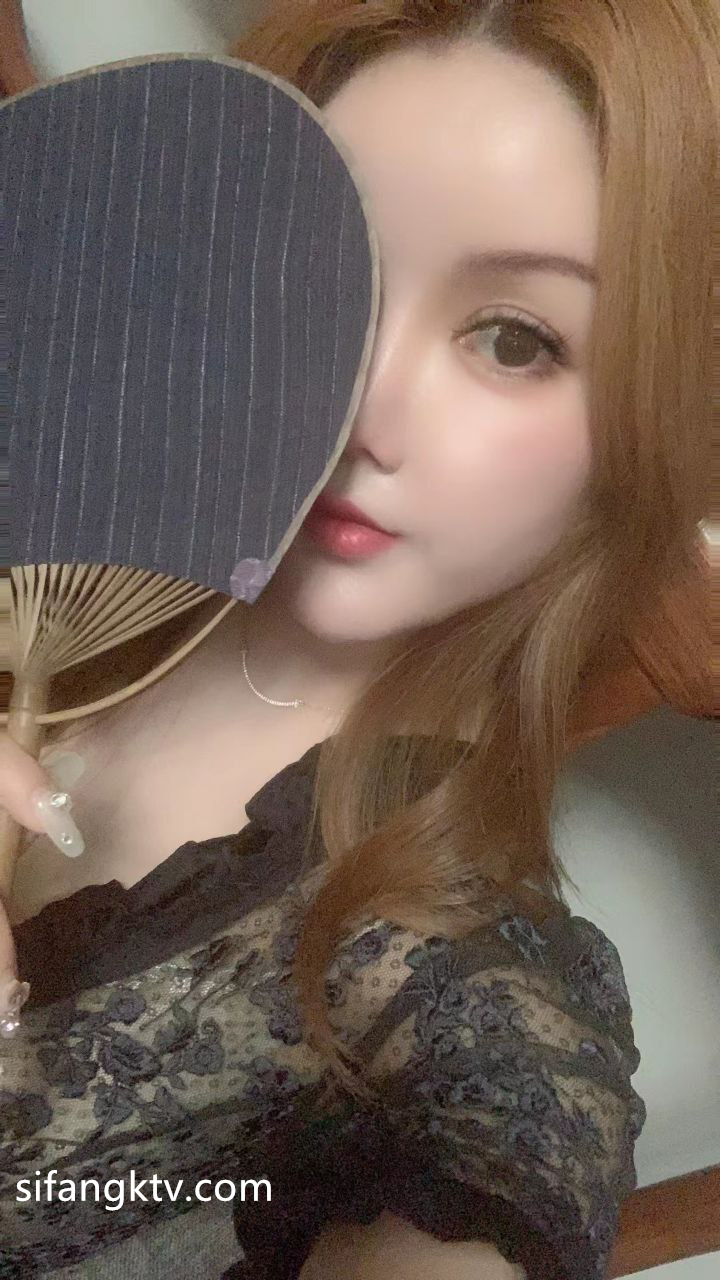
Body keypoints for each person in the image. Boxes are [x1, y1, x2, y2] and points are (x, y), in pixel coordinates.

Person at [0, 0, 715, 1276]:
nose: (361, 404)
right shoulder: (47, 517)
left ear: (643, 434)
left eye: (514, 339)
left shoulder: (456, 1010)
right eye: (319, 272)